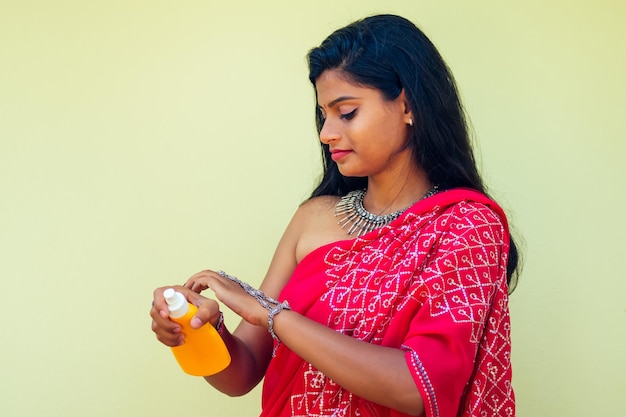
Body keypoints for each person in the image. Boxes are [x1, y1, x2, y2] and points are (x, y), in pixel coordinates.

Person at [150, 14, 520, 417]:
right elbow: (242, 374)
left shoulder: (465, 225)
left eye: (346, 113)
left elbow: (420, 386)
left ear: (407, 105)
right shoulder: (313, 218)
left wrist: (273, 315)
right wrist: (197, 327)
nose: (326, 133)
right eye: (323, 114)